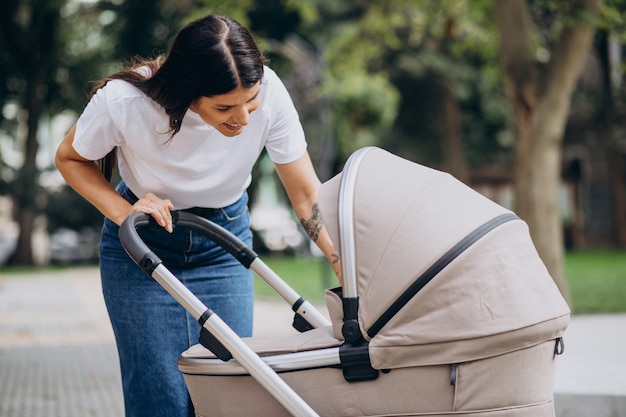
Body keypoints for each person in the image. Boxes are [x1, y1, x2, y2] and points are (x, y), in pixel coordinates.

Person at [55, 14, 341, 417]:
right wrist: (125, 212)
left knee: (231, 391)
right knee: (161, 400)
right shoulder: (125, 101)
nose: (243, 119)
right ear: (187, 92)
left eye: (250, 102)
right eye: (225, 107)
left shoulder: (272, 93)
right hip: (141, 248)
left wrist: (344, 268)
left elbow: (308, 194)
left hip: (225, 245)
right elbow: (69, 158)